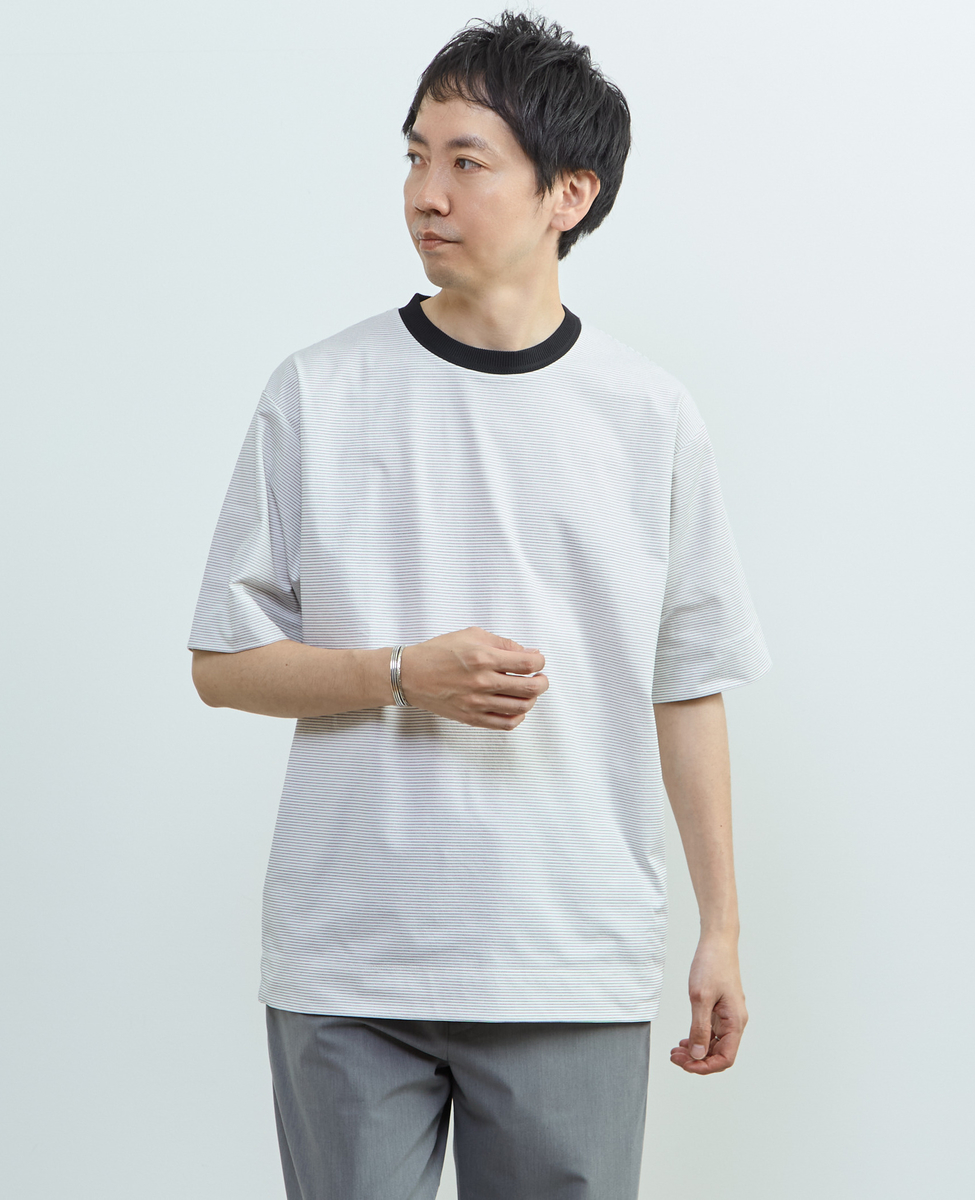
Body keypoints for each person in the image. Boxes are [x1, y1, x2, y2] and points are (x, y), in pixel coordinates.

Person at [187, 10, 772, 1199]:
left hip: (567, 957)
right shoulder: (319, 393)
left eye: (467, 161)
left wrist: (722, 927)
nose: (426, 194)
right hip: (351, 964)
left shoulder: (649, 416)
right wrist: (402, 673)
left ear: (569, 192)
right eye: (415, 157)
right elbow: (223, 661)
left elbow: (687, 682)